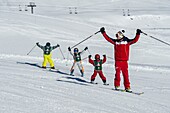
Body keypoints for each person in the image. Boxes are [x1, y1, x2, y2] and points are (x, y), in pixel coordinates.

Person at [100, 27, 141, 92]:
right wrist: (103, 32)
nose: (117, 37)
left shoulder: (127, 41)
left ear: (121, 35)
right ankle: (117, 85)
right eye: (116, 36)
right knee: (117, 74)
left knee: (126, 75)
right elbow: (108, 39)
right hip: (118, 61)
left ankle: (127, 87)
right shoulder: (115, 42)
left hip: (124, 61)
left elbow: (135, 40)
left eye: (117, 36)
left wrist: (138, 33)